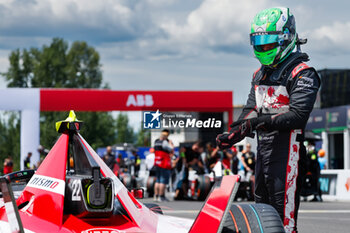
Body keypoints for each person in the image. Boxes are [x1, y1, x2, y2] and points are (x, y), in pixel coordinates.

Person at [216, 7, 320, 233]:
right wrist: (234, 133)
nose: (263, 48)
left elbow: (298, 115)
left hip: (288, 153)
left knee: (283, 218)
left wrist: (257, 122)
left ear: (286, 38)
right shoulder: (259, 74)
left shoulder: (303, 73)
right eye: (259, 43)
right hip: (263, 151)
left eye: (268, 43)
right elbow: (251, 109)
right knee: (260, 215)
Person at [153, 129, 174, 202]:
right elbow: (171, 149)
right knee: (163, 180)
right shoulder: (164, 142)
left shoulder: (156, 141)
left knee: (158, 180)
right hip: (164, 163)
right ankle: (161, 196)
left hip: (157, 162)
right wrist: (171, 143)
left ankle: (156, 196)